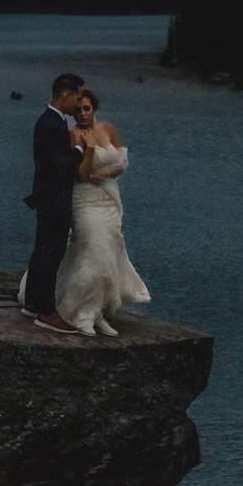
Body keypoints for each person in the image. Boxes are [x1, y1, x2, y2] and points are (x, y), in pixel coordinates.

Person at [51, 85, 150, 336]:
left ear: (94, 109)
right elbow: (81, 175)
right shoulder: (73, 135)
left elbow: (122, 161)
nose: (83, 113)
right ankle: (83, 313)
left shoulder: (108, 129)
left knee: (108, 253)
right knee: (95, 251)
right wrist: (89, 150)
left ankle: (100, 312)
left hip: (108, 200)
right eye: (79, 110)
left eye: (87, 109)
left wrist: (105, 173)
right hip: (84, 201)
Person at [20, 72, 85, 332]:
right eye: (77, 97)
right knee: (51, 254)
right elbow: (60, 166)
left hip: (46, 197)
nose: (79, 104)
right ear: (65, 95)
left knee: (41, 250)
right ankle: (47, 311)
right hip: (54, 199)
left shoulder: (49, 121)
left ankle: (33, 303)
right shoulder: (51, 125)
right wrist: (79, 150)